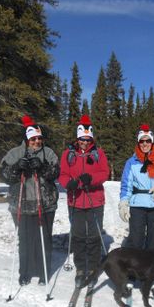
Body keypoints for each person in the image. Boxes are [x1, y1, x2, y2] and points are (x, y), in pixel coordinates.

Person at [0, 115, 60, 286]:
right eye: (33, 138)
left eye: (39, 138)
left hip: (45, 203)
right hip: (22, 203)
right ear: (27, 138)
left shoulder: (48, 153)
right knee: (25, 239)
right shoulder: (14, 153)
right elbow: (4, 175)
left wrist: (42, 167)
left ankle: (43, 272)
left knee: (44, 240)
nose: (37, 141)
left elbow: (55, 173)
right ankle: (24, 272)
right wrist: (17, 167)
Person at [59, 115, 110, 287]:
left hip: (94, 200)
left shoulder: (98, 153)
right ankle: (81, 268)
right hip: (75, 200)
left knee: (94, 235)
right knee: (79, 236)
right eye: (82, 139)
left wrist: (91, 179)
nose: (85, 143)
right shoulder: (68, 154)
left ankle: (93, 269)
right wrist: (69, 183)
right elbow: (63, 175)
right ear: (78, 138)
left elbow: (104, 173)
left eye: (88, 140)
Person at [119, 124, 154, 250]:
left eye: (148, 140)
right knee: (135, 240)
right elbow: (126, 185)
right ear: (138, 142)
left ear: (152, 142)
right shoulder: (131, 162)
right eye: (142, 141)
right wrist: (123, 203)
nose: (145, 143)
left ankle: (150, 268)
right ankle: (134, 267)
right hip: (137, 205)